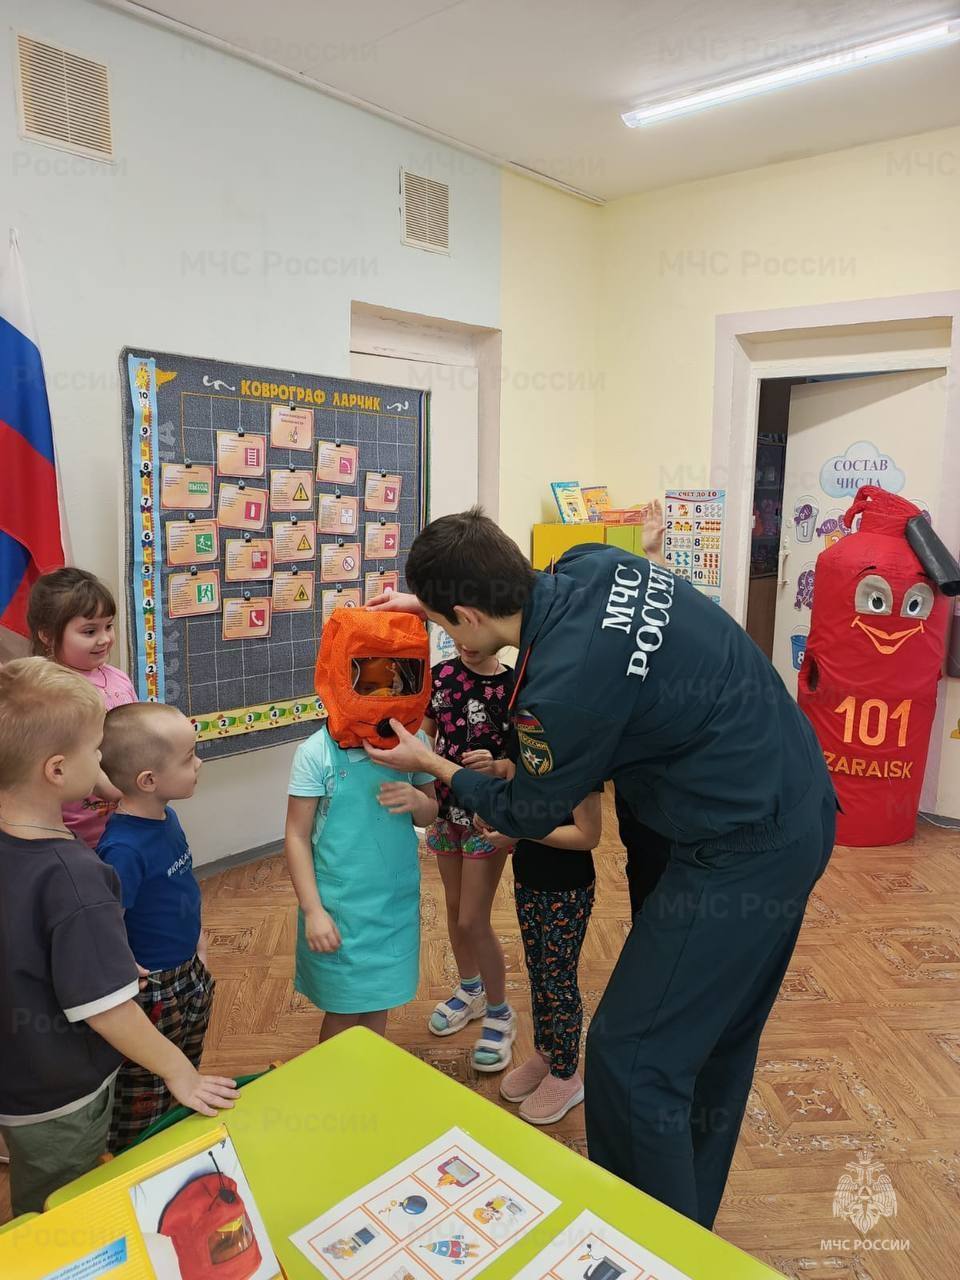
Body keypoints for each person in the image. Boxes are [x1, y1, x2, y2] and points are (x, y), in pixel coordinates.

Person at [365, 507, 836, 1229]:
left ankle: (648, 1248)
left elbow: (525, 808)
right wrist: (430, 609)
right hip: (788, 792)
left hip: (746, 846)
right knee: (712, 1042)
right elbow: (537, 619)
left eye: (442, 621)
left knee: (630, 1058)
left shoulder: (563, 695)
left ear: (464, 613)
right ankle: (684, 1233)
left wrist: (431, 763)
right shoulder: (595, 563)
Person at [0, 659, 238, 1214]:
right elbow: (107, 1011)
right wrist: (180, 1071)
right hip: (61, 1092)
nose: (103, 761)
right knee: (63, 1205)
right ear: (57, 771)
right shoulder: (76, 876)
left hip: (19, 1075)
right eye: (94, 750)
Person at [283, 656, 438, 1042]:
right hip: (340, 909)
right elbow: (297, 836)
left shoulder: (413, 743)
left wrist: (419, 803)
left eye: (393, 687)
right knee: (344, 1007)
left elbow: (430, 812)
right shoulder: (315, 753)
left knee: (378, 999)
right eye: (369, 688)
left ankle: (368, 1079)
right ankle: (335, 1091)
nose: (382, 699)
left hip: (393, 904)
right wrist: (313, 910)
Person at [97, 702, 214, 1152]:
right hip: (151, 990)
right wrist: (130, 970)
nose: (198, 763)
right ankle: (139, 1155)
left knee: (185, 1065)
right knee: (144, 1088)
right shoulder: (121, 848)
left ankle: (175, 1137)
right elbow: (107, 923)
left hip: (187, 973)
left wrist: (198, 941)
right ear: (148, 780)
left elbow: (179, 886)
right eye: (188, 758)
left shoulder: (168, 815)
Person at [478, 760, 602, 1124]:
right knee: (538, 974)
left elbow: (588, 835)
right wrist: (498, 819)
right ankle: (546, 1053)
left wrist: (522, 831)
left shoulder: (584, 758)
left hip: (568, 887)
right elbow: (518, 801)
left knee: (559, 980)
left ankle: (566, 1075)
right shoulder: (528, 747)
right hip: (529, 878)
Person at [422, 642, 517, 1072]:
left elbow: (526, 761)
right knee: (455, 908)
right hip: (445, 812)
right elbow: (423, 738)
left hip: (487, 817)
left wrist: (497, 766)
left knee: (472, 920)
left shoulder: (515, 686)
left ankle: (501, 1013)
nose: (465, 641)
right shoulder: (440, 677)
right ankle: (470, 990)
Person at [27, 567, 136, 847]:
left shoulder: (117, 677)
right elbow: (71, 755)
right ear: (47, 636)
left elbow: (135, 735)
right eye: (89, 631)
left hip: (126, 813)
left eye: (108, 626)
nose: (104, 639)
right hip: (76, 830)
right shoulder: (48, 689)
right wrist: (114, 793)